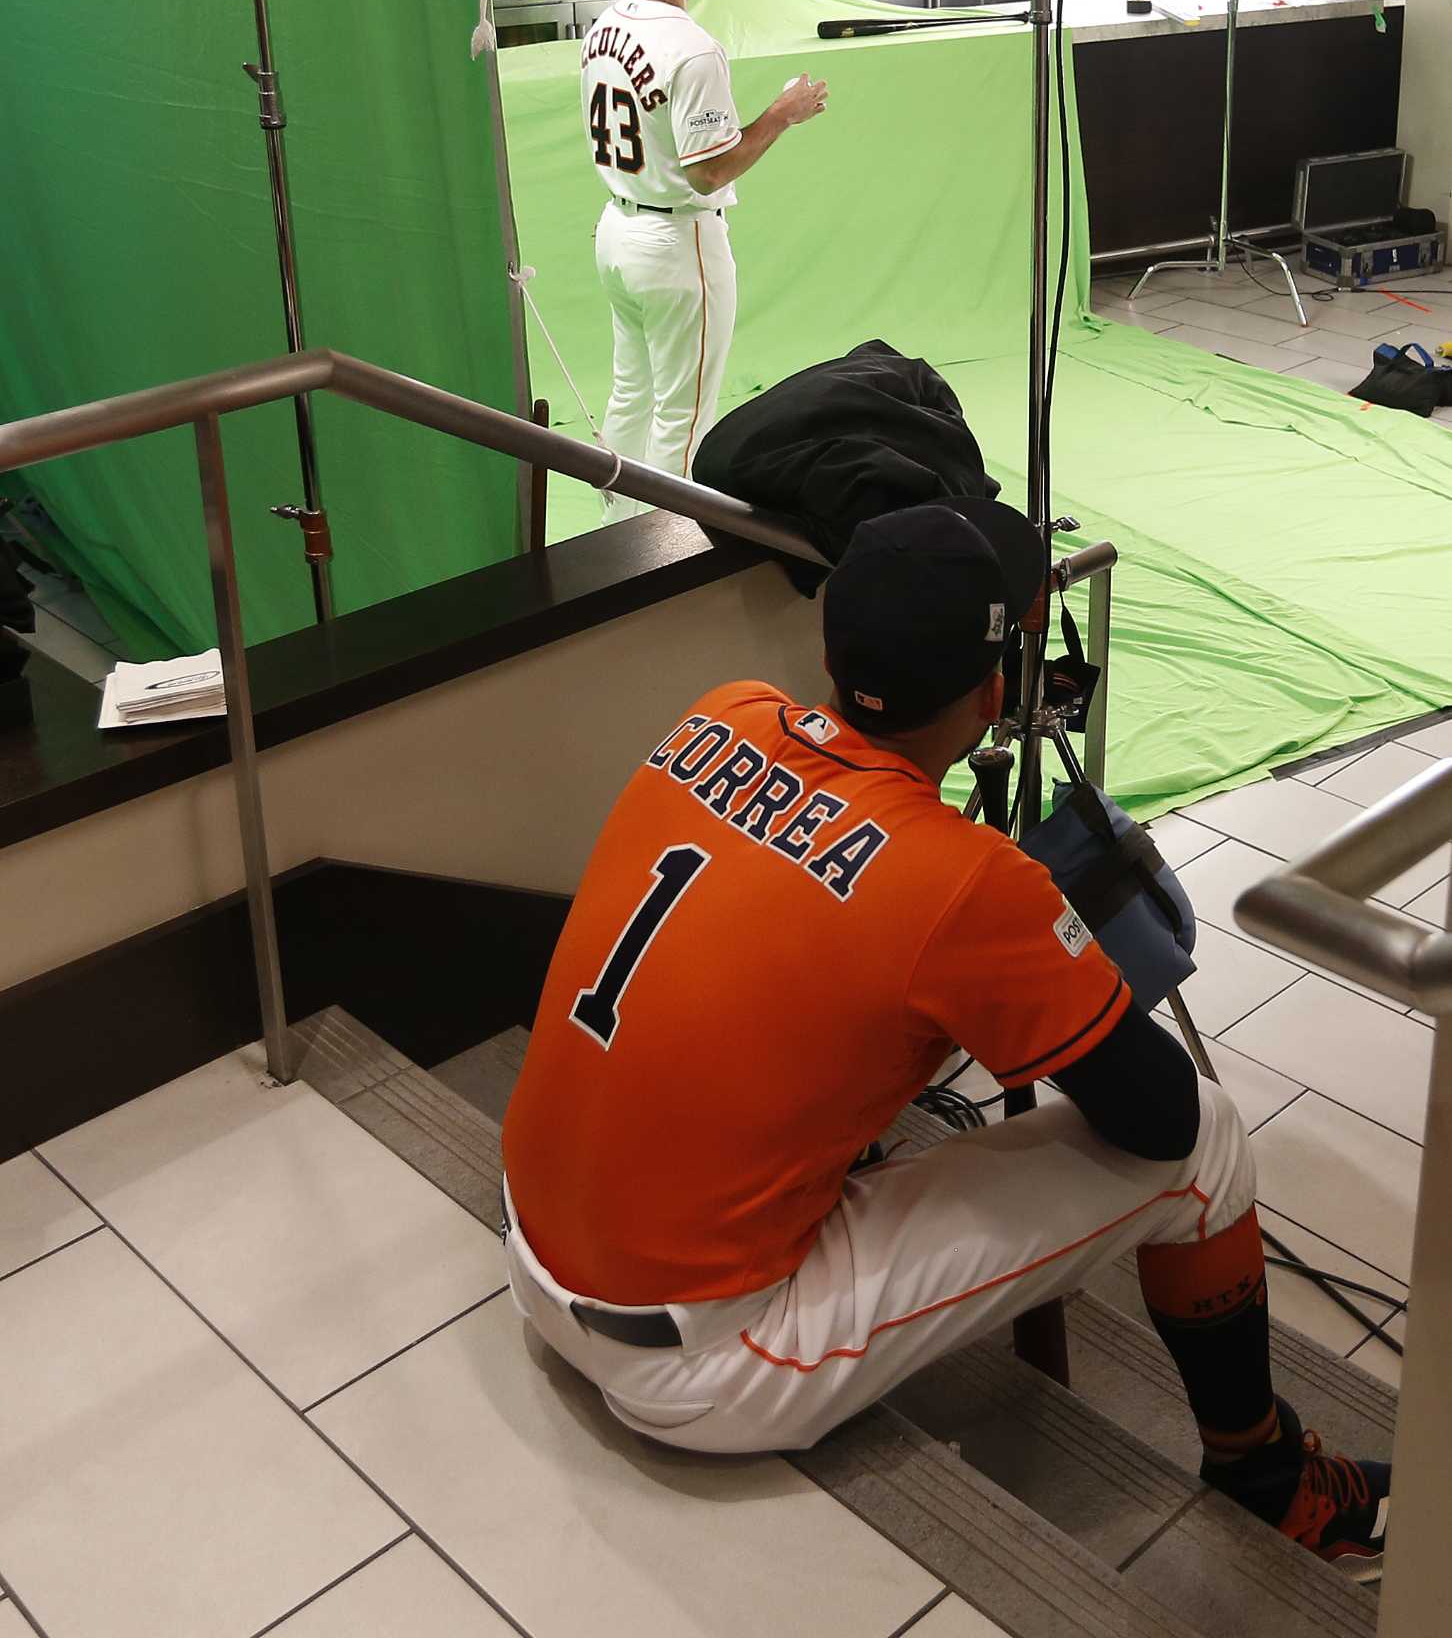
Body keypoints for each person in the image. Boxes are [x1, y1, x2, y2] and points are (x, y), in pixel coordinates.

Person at [501, 501, 1390, 1578]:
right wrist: (1055, 953)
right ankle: (1269, 1475)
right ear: (995, 692)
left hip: (532, 1246)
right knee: (1208, 1141)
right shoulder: (963, 880)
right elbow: (1152, 1118)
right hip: (702, 1362)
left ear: (831, 651)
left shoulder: (722, 710)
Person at [579, 0, 828, 514]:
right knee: (683, 414)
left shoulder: (603, 26)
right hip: (675, 244)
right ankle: (662, 558)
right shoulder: (693, 48)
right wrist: (781, 114)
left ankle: (613, 530)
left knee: (631, 392)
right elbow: (709, 172)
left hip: (617, 230)